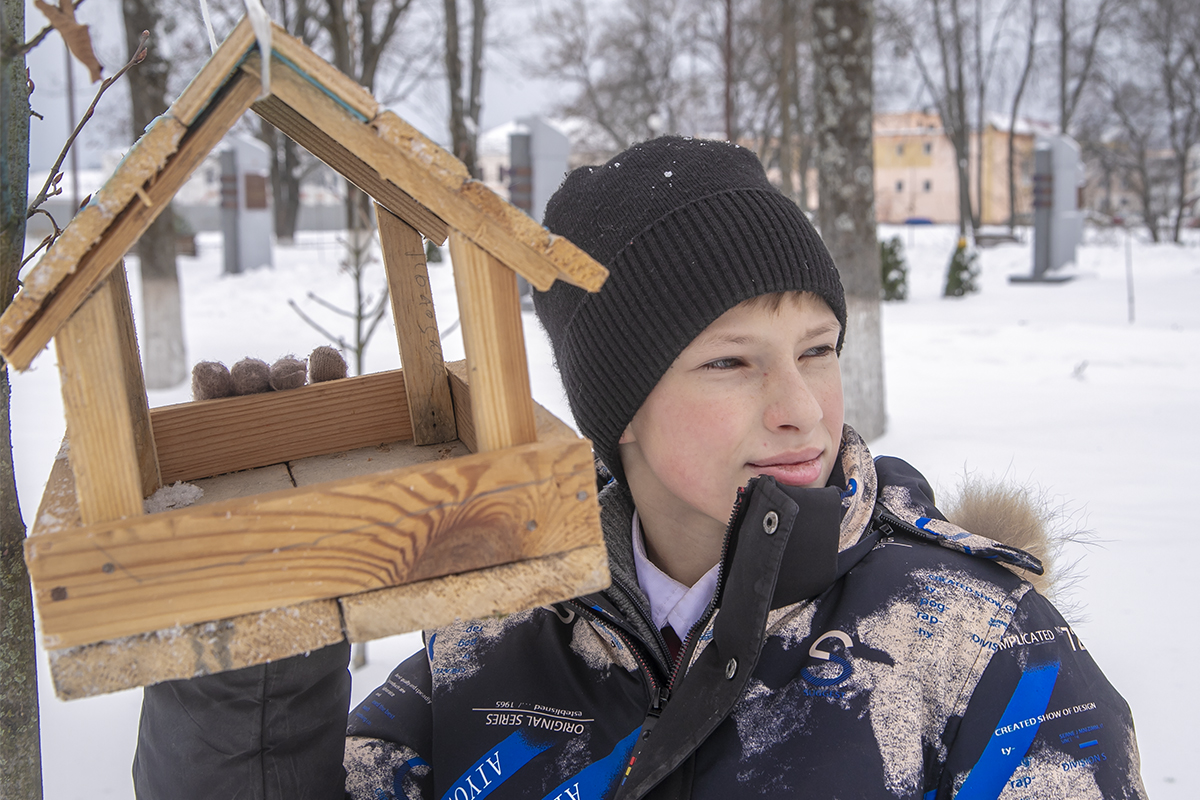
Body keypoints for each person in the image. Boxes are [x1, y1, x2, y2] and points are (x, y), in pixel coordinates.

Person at [134, 137, 1145, 800]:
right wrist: (252, 647)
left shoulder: (978, 648)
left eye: (819, 347)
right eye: (732, 361)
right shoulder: (492, 639)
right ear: (618, 413)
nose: (802, 406)